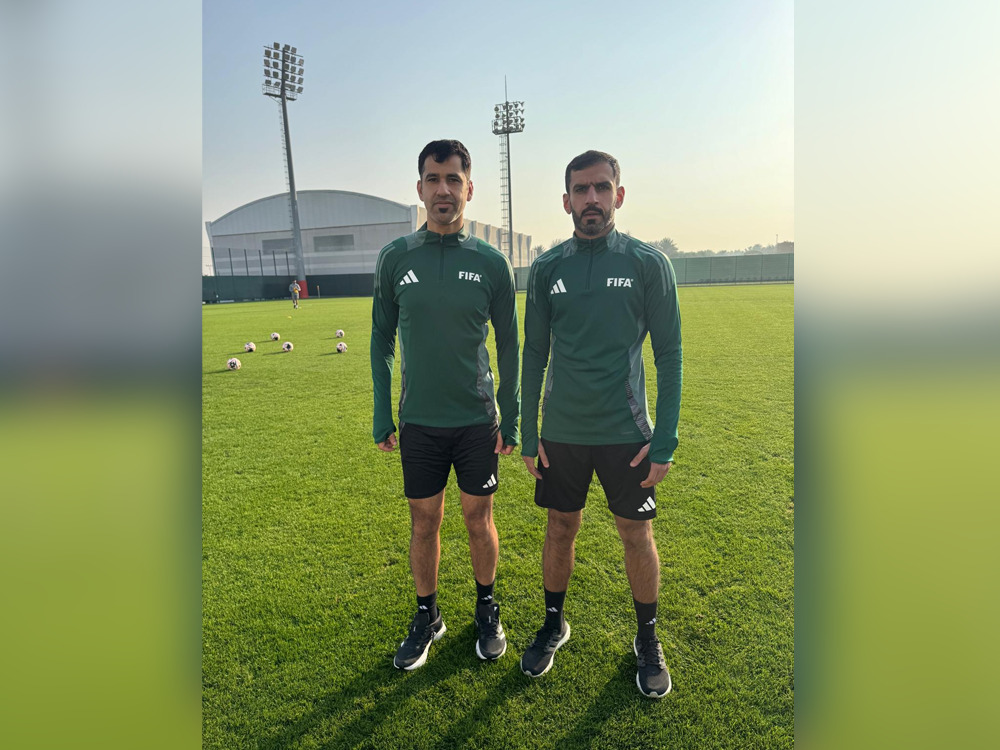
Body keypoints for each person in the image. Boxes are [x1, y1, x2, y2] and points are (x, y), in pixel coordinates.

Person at [518, 150, 682, 698]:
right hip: (561, 433)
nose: (592, 199)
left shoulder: (647, 263)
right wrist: (527, 431)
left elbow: (671, 355)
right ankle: (553, 623)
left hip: (626, 435)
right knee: (559, 528)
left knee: (636, 534)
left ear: (619, 194)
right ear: (566, 201)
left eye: (602, 188)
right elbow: (534, 351)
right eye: (581, 190)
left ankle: (647, 639)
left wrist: (666, 439)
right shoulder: (546, 268)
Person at [370, 139, 520, 670]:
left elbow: (510, 342)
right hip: (420, 424)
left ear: (469, 189)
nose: (443, 190)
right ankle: (427, 615)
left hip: (477, 421)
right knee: (424, 522)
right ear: (419, 189)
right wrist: (380, 412)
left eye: (453, 180)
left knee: (479, 520)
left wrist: (513, 413)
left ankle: (486, 609)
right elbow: (380, 340)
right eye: (433, 180)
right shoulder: (395, 258)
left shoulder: (491, 263)